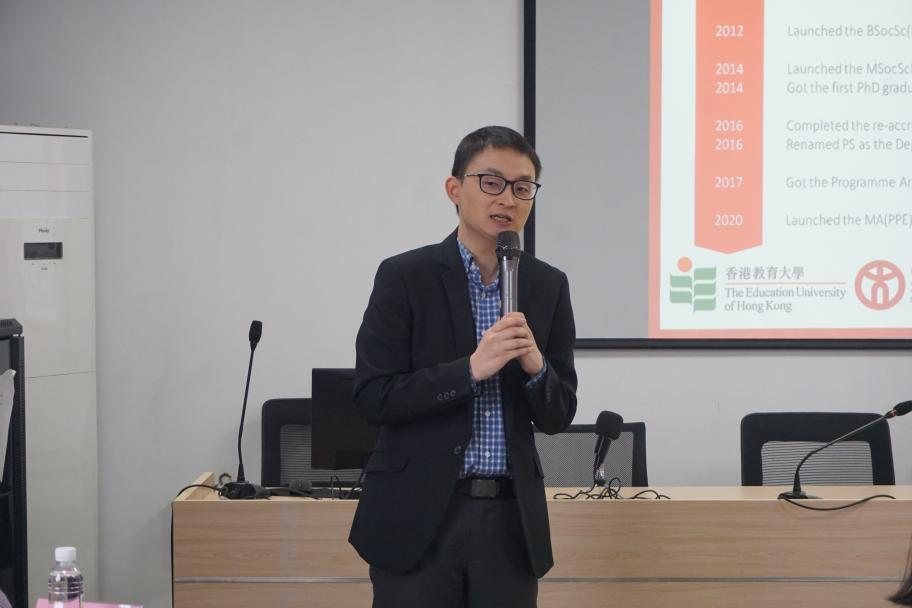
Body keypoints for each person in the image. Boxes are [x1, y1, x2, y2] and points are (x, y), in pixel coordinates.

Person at [349, 125, 577, 607]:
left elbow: (559, 416)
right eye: (491, 182)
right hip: (419, 517)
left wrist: (536, 368)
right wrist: (469, 370)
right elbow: (373, 396)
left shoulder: (547, 285)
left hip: (509, 524)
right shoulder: (404, 277)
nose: (507, 199)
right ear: (455, 189)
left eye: (522, 187)